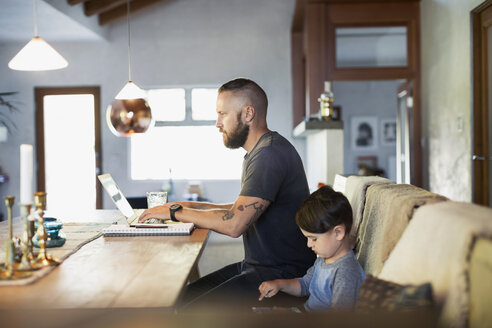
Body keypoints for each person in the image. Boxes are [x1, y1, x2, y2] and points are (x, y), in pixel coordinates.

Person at [138, 78, 316, 308]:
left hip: (281, 277)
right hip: (258, 268)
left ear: (248, 114)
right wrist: (187, 205)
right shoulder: (259, 152)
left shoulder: (268, 155)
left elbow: (235, 224)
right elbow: (238, 209)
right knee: (181, 299)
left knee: (189, 312)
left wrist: (176, 213)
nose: (217, 123)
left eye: (223, 114)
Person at [258, 185, 365, 312]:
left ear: (338, 233)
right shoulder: (323, 259)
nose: (309, 244)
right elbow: (305, 285)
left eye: (314, 239)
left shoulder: (346, 272)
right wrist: (279, 284)